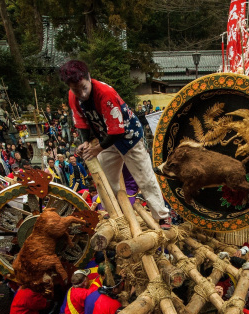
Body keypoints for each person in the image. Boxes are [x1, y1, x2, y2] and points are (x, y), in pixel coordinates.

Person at [60, 60, 171, 228]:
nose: (81, 94)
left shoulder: (105, 93)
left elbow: (117, 130)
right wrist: (86, 142)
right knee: (105, 181)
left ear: (89, 78)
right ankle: (111, 214)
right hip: (105, 138)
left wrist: (97, 148)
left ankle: (162, 216)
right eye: (76, 90)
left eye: (84, 88)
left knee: (145, 177)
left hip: (128, 137)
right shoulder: (73, 95)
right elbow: (81, 121)